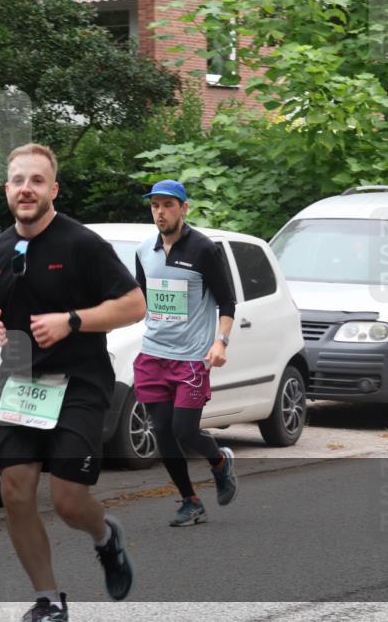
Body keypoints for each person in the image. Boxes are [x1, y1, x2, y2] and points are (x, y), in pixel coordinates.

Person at [0, 143, 146, 621]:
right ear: (7, 189)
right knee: (15, 489)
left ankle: (106, 537)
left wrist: (73, 320)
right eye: (19, 181)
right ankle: (48, 600)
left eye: (37, 181)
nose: (27, 189)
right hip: (21, 381)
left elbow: (134, 305)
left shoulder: (83, 245)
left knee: (67, 500)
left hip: (79, 383)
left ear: (54, 189)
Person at [133, 179, 239, 527]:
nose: (160, 212)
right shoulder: (143, 251)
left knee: (184, 431)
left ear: (183, 208)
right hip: (153, 355)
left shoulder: (203, 249)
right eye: (155, 206)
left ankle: (220, 460)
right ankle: (190, 501)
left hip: (192, 358)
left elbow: (226, 301)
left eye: (168, 205)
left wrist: (220, 341)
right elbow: (141, 302)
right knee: (162, 431)